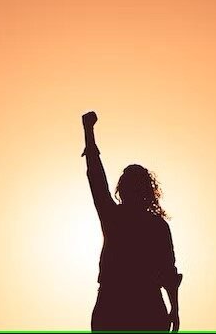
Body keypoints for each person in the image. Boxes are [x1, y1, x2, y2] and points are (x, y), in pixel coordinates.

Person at [81, 111, 182, 332]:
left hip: (125, 306)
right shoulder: (152, 224)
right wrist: (174, 309)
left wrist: (89, 133)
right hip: (132, 305)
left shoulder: (116, 218)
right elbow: (169, 273)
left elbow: (168, 272)